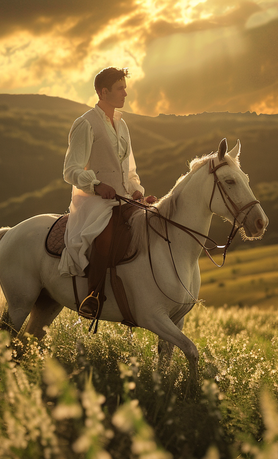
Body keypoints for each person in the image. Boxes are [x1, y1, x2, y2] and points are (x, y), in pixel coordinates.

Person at [58, 67, 156, 319]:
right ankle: (94, 296)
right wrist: (97, 185)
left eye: (124, 87)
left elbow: (129, 169)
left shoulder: (122, 125)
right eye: (120, 88)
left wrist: (136, 192)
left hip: (122, 198)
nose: (125, 92)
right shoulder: (85, 123)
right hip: (94, 201)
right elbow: (71, 170)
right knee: (104, 237)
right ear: (104, 92)